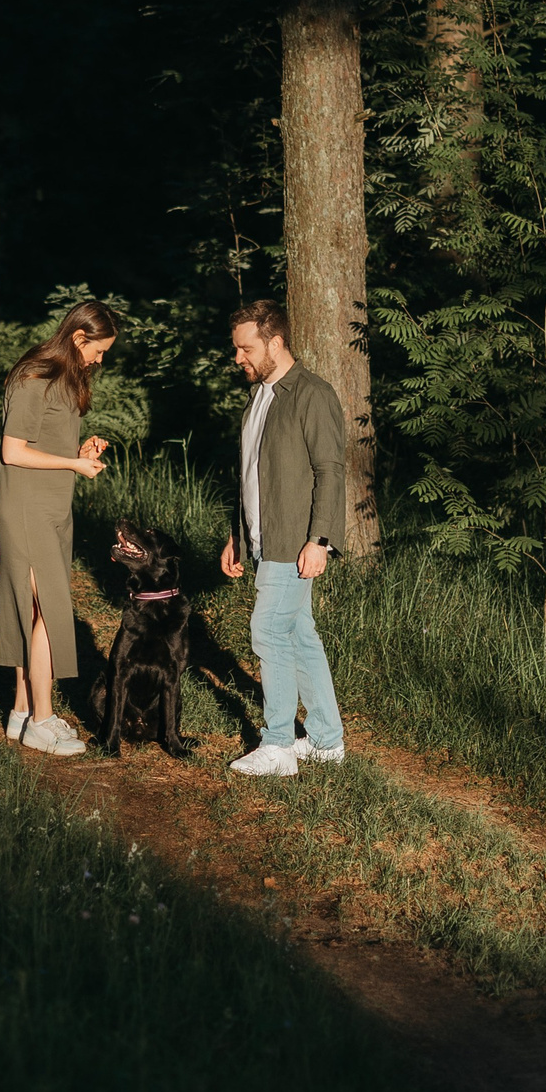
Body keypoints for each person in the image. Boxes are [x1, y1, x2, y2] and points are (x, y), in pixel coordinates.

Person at [219, 299, 348, 777]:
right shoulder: (260, 395)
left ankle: (277, 746)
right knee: (299, 634)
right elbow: (250, 474)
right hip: (262, 538)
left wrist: (321, 539)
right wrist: (236, 534)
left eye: (246, 349)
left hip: (295, 541)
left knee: (269, 631)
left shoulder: (312, 394)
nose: (239, 358)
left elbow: (330, 472)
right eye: (237, 349)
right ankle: (327, 740)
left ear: (275, 343)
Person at [0, 299, 118, 757]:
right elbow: (13, 451)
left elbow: (44, 443)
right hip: (26, 506)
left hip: (52, 506)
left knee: (34, 610)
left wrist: (79, 452)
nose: (100, 360)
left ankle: (22, 712)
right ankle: (42, 722)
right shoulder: (34, 377)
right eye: (99, 350)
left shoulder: (66, 381)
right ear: (78, 337)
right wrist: (71, 462)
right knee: (45, 608)